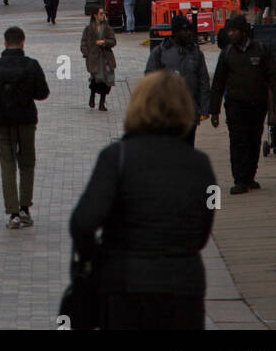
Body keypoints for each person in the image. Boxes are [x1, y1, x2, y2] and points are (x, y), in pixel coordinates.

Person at [69, 72, 215, 331]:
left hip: (127, 285)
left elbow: (83, 222)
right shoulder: (200, 165)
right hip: (184, 286)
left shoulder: (117, 158)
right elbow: (203, 232)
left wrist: (99, 258)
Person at [0, 27, 49, 228]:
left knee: (7, 165)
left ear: (5, 43)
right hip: (26, 120)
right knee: (27, 164)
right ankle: (25, 207)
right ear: (23, 42)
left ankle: (13, 211)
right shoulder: (32, 66)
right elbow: (43, 92)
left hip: (2, 121)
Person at [210, 14, 276, 194]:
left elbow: (274, 77)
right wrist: (214, 111)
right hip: (235, 105)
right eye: (229, 31)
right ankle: (240, 179)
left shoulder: (260, 50)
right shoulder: (227, 53)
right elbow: (218, 83)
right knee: (238, 142)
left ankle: (250, 176)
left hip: (257, 104)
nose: (230, 34)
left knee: (253, 140)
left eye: (234, 31)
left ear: (244, 32)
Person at [144, 15, 210, 144]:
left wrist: (205, 108)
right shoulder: (160, 52)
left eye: (189, 30)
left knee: (187, 150)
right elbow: (149, 81)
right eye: (184, 30)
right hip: (167, 113)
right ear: (175, 32)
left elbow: (204, 81)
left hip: (190, 112)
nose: (187, 33)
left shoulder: (196, 52)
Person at [81, 8, 116, 110]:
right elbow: (83, 43)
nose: (103, 15)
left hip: (106, 58)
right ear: (95, 15)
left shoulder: (107, 28)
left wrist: (104, 42)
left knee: (106, 80)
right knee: (96, 79)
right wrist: (87, 54)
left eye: (103, 14)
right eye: (101, 14)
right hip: (94, 58)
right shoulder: (88, 29)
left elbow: (113, 41)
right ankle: (92, 95)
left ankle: (102, 103)